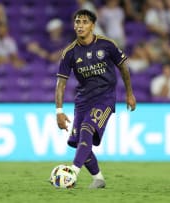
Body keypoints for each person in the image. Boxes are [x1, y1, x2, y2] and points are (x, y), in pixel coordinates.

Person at [55, 9, 136, 189]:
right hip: (83, 100)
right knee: (79, 142)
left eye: (84, 22)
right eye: (77, 22)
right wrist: (59, 111)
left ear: (92, 25)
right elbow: (61, 83)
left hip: (105, 97)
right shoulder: (69, 53)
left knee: (87, 128)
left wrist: (129, 93)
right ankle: (98, 179)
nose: (80, 25)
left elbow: (123, 68)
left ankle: (71, 174)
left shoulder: (107, 45)